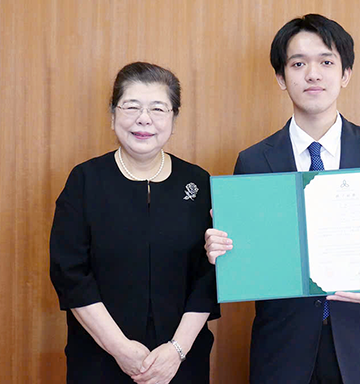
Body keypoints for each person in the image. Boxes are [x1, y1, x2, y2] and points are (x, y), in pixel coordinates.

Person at [205, 14, 360, 384]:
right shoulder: (254, 160)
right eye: (298, 63)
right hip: (282, 352)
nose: (312, 74)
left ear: (345, 73)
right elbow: (248, 259)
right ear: (281, 78)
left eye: (326, 62)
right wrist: (222, 250)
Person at [50, 62, 219, 384]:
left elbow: (210, 275)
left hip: (182, 360)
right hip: (99, 357)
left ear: (173, 119)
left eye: (158, 108)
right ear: (113, 115)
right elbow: (69, 272)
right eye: (131, 107)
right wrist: (119, 348)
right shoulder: (85, 180)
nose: (144, 119)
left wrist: (177, 351)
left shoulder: (197, 182)